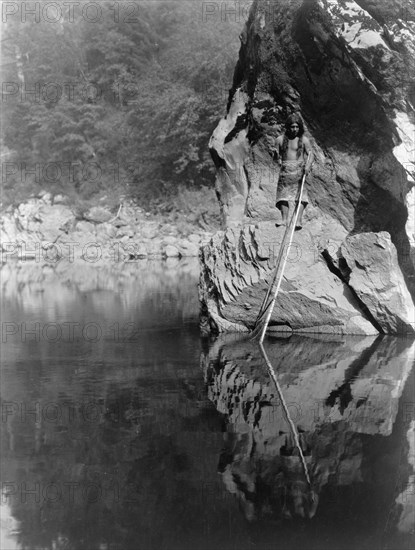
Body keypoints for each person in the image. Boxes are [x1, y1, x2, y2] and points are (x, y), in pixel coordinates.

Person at [274, 113, 313, 230]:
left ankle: (298, 220)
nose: (294, 129)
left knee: (301, 196)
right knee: (283, 196)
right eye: (292, 127)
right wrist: (276, 157)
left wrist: (308, 165)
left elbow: (311, 154)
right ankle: (284, 220)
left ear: (300, 127)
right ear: (288, 127)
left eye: (296, 127)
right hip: (285, 171)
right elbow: (276, 158)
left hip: (299, 171)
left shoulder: (304, 140)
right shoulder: (279, 140)